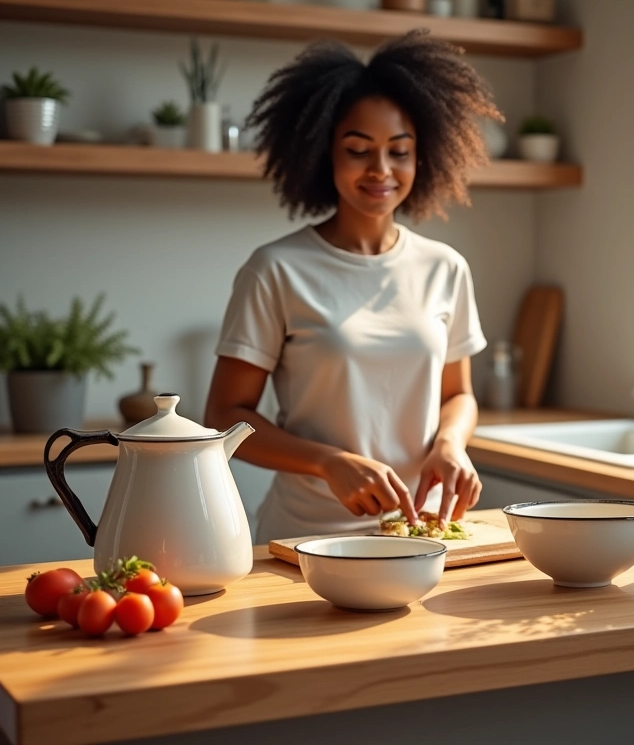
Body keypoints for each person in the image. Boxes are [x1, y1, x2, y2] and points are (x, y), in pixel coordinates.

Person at [204, 29, 503, 544]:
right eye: (358, 150)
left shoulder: (445, 268)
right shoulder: (275, 269)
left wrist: (451, 443)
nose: (380, 170)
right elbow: (224, 418)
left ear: (422, 156)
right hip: (307, 539)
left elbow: (459, 395)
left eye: (399, 151)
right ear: (324, 154)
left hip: (423, 536)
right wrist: (328, 463)